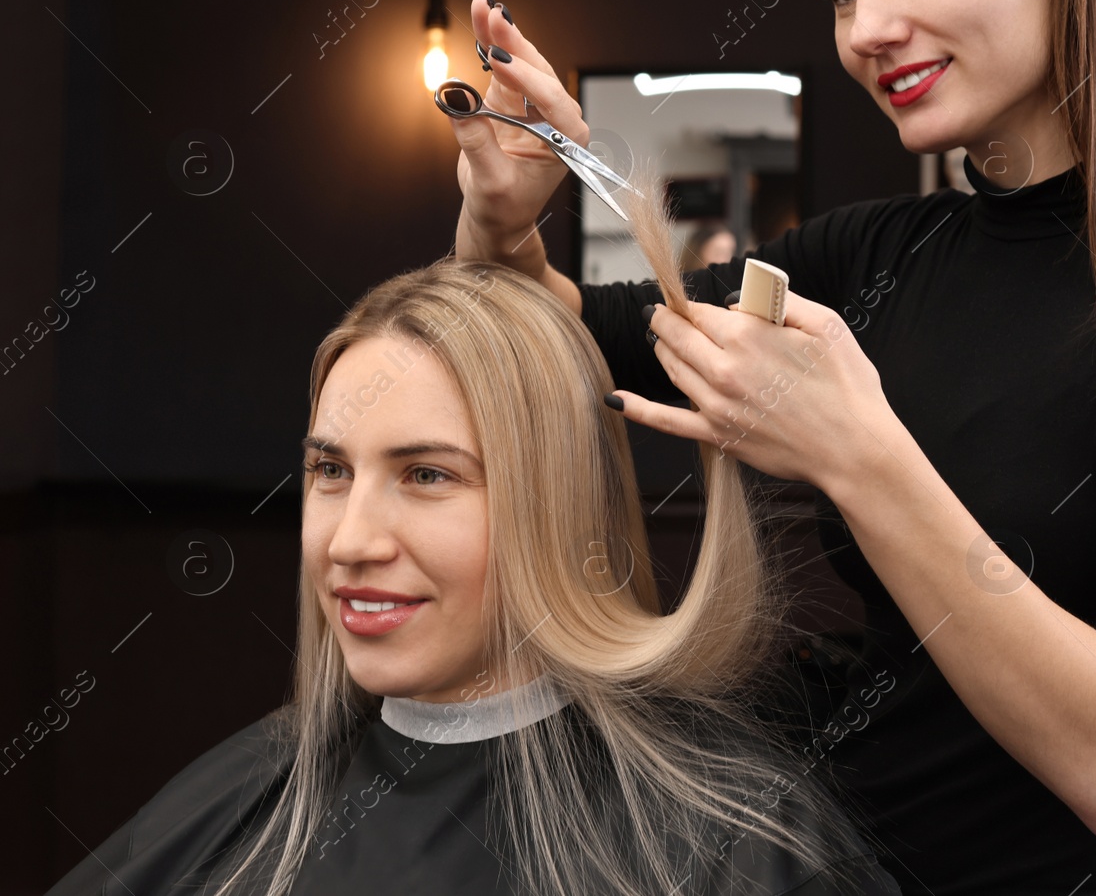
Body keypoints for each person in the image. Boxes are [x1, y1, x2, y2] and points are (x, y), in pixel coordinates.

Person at [446, 0, 1096, 892]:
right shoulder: (865, 259)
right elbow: (542, 335)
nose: (867, 28)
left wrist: (857, 452)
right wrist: (501, 225)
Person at [44, 175, 901, 896]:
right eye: (331, 471)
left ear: (557, 502)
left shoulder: (742, 846)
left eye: (427, 474)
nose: (350, 540)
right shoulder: (236, 807)